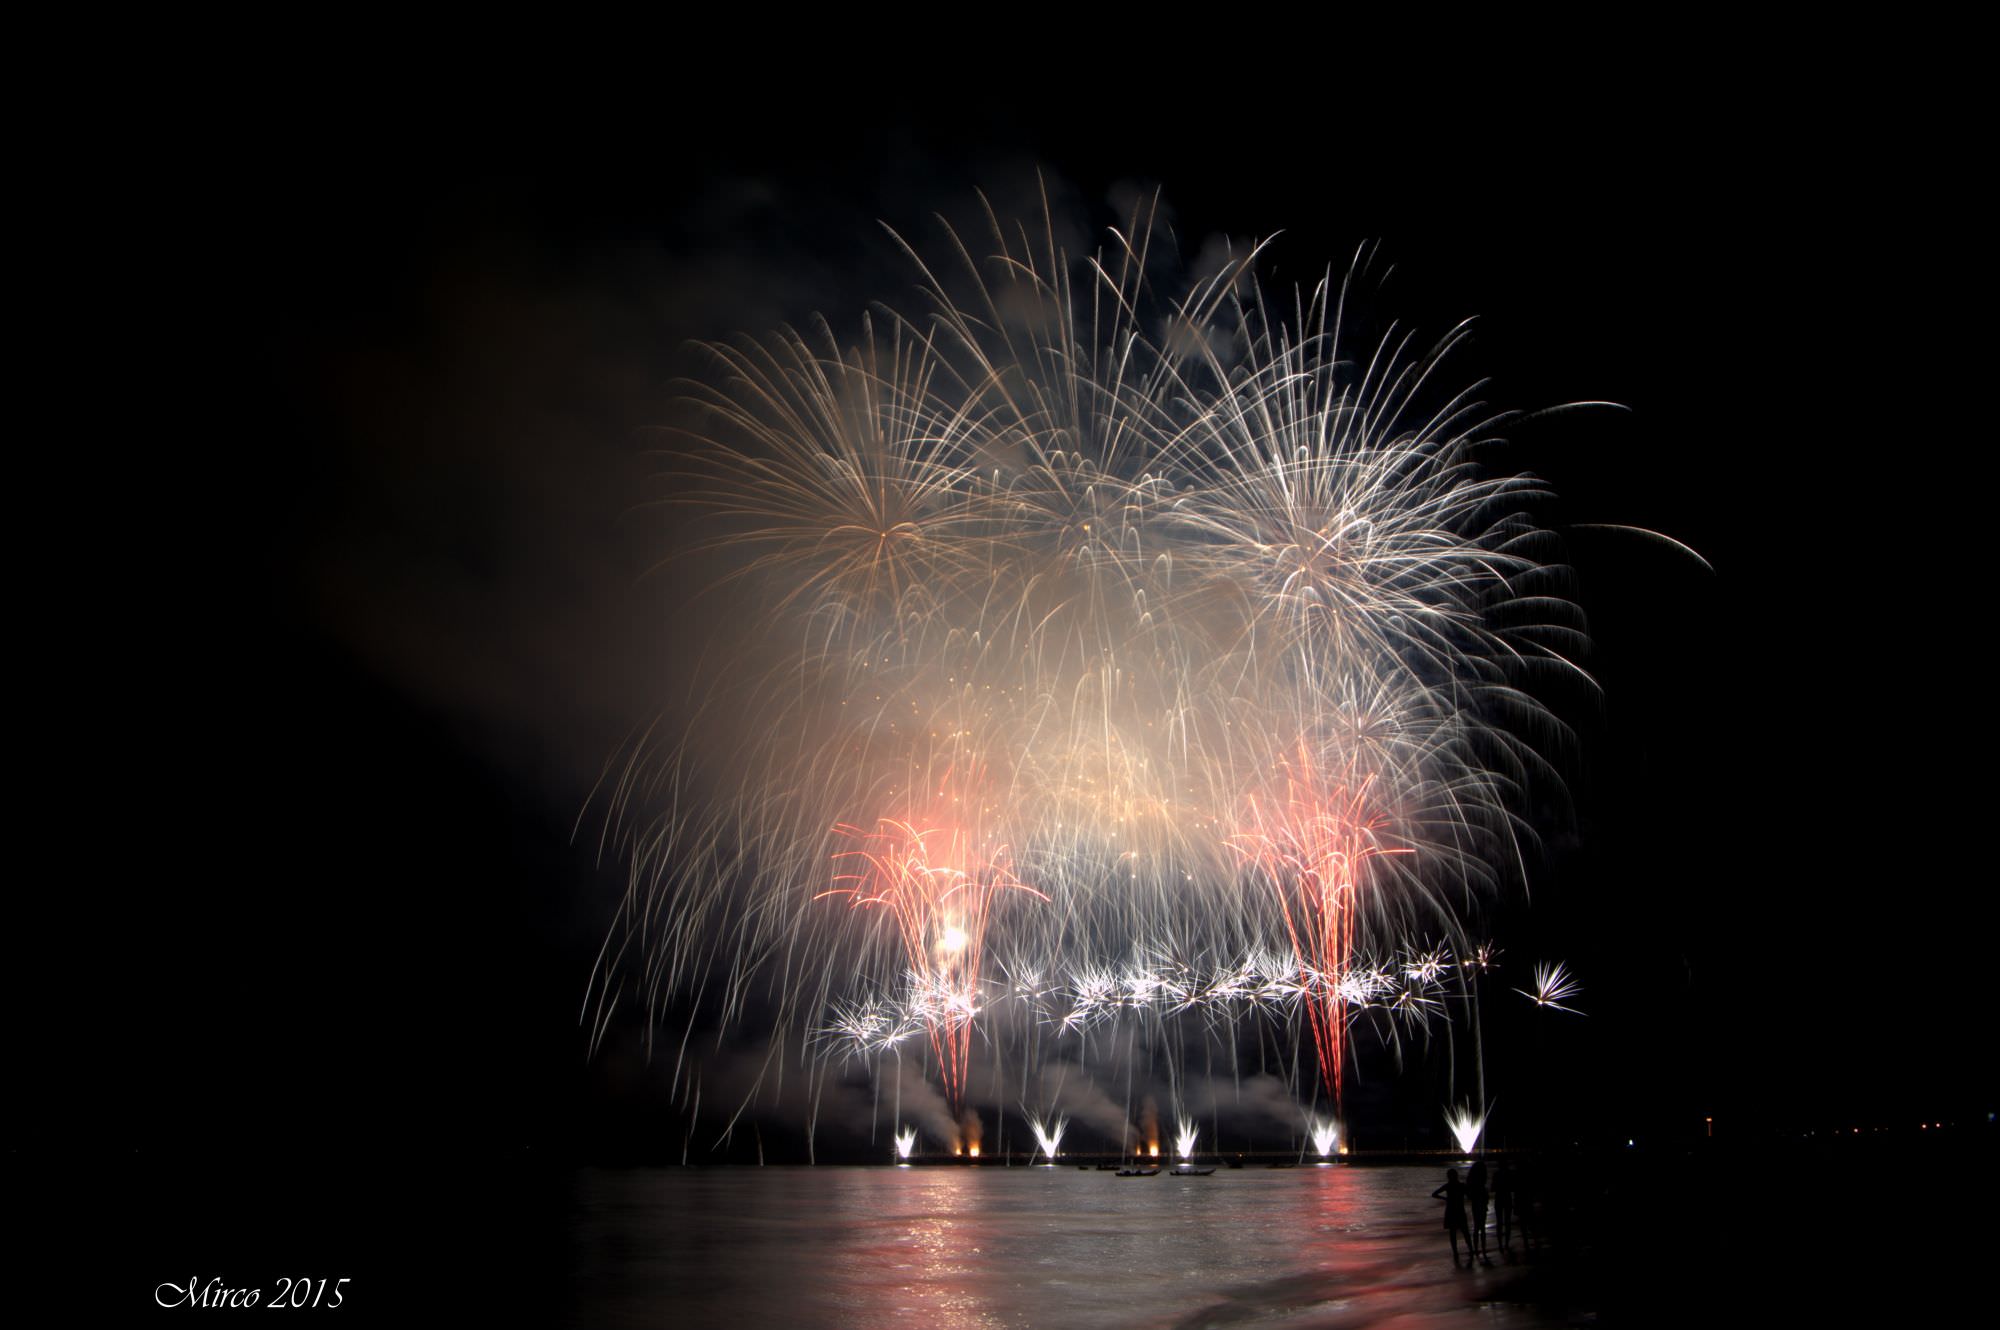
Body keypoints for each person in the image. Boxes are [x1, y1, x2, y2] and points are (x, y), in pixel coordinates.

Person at [1432, 1168, 1470, 1266]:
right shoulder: (1461, 1186)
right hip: (1460, 1210)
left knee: (1452, 1233)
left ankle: (1455, 1252)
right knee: (1465, 1231)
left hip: (1451, 1210)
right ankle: (1471, 1250)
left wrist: (1445, 1198)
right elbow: (1469, 1195)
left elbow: (1434, 1194)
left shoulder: (1448, 1186)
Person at [1466, 1161, 1491, 1263]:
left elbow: (1469, 1195)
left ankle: (1476, 1249)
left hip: (1476, 1204)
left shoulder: (1472, 1182)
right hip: (1481, 1204)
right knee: (1482, 1228)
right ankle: (1483, 1249)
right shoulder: (1481, 1184)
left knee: (1477, 1227)